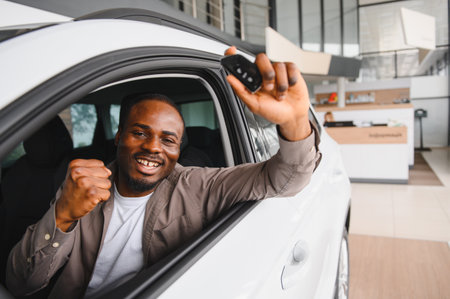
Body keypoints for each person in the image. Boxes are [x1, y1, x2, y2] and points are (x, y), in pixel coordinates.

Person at [6, 47, 321, 298]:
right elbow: (22, 283)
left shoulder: (199, 185)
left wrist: (293, 123)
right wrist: (63, 215)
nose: (153, 147)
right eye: (139, 133)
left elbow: (284, 178)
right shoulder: (81, 187)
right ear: (118, 137)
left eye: (168, 140)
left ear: (178, 150)